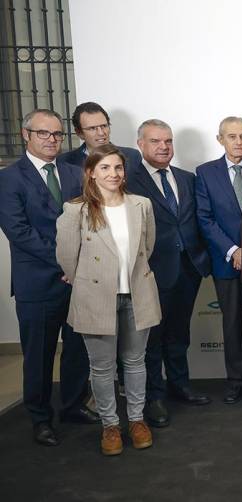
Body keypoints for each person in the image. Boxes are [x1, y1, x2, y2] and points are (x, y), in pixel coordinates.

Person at [55, 143, 161, 455]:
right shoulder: (76, 210)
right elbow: (66, 257)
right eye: (105, 168)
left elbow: (147, 248)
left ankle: (137, 420)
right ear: (91, 173)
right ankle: (110, 426)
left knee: (135, 361)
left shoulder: (141, 204)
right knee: (101, 367)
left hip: (136, 293)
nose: (113, 174)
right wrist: (88, 282)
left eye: (117, 167)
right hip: (95, 296)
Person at [0, 109, 97, 446]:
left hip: (79, 281)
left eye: (56, 134)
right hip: (38, 284)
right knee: (39, 356)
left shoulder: (75, 173)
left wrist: (80, 263)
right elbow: (19, 231)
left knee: (77, 349)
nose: (51, 140)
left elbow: (91, 221)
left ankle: (73, 405)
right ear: (26, 134)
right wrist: (66, 262)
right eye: (43, 133)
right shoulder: (10, 178)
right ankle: (40, 418)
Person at [126, 119, 212, 427]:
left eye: (168, 141)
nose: (163, 147)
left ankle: (180, 385)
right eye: (156, 141)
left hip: (188, 268)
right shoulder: (128, 180)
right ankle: (155, 397)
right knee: (152, 339)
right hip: (151, 271)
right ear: (141, 145)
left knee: (179, 333)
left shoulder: (187, 177)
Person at [195, 116, 242, 404]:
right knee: (232, 323)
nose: (239, 142)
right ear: (220, 139)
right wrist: (234, 250)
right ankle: (236, 380)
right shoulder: (205, 172)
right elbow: (205, 218)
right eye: (232, 136)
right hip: (226, 261)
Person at [58, 101, 142, 170]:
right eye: (92, 128)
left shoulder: (132, 157)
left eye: (104, 126)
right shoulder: (64, 161)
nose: (101, 133)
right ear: (79, 133)